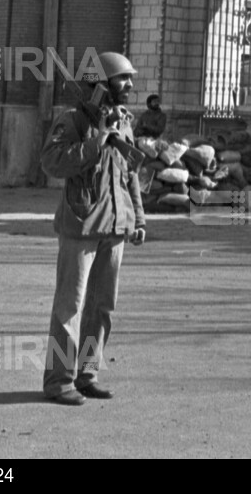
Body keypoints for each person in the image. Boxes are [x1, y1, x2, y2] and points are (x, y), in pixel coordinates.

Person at [40, 51, 146, 405]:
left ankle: (86, 374)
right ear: (101, 83)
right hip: (81, 227)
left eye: (130, 78)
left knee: (102, 308)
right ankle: (58, 381)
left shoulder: (124, 121)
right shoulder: (74, 120)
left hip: (115, 228)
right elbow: (52, 162)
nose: (129, 84)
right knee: (69, 307)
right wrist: (96, 140)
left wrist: (139, 218)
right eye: (122, 78)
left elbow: (130, 174)